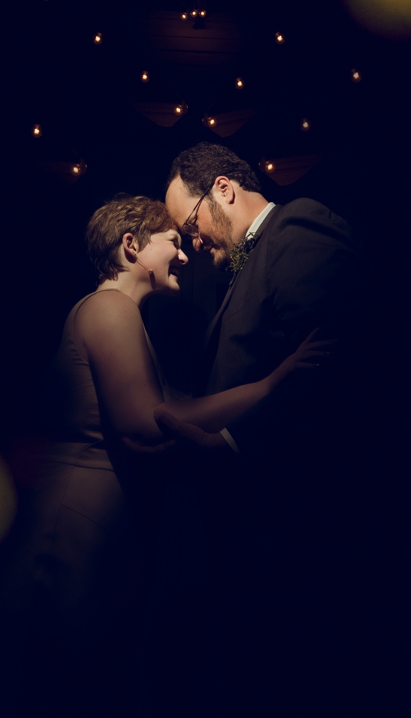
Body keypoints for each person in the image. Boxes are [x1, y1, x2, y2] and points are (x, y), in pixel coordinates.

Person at [0, 193, 328, 717]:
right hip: (75, 540)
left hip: (94, 536)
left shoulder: (119, 315)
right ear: (131, 246)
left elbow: (175, 411)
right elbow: (146, 427)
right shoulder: (109, 308)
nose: (185, 255)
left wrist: (268, 387)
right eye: (173, 242)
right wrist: (275, 384)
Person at [158, 142, 364, 712]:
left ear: (223, 188)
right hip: (261, 513)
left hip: (301, 514)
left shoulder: (298, 226)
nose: (193, 242)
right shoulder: (244, 262)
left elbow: (337, 352)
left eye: (190, 224)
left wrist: (228, 446)